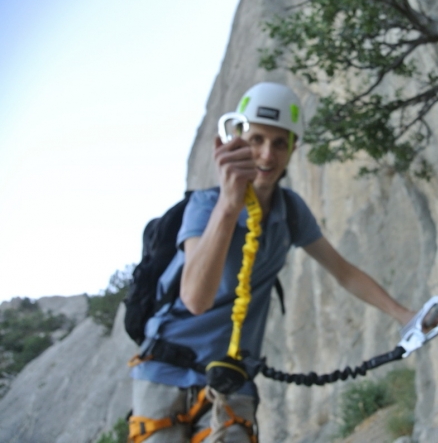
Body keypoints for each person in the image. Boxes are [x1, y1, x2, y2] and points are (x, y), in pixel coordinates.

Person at [129, 82, 416, 443]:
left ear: (293, 148)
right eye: (257, 139)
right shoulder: (205, 206)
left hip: (232, 375)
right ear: (236, 139)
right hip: (166, 371)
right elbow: (195, 299)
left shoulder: (290, 212)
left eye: (280, 142)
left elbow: (345, 273)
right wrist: (230, 205)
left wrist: (406, 316)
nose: (267, 155)